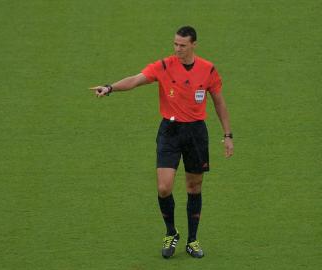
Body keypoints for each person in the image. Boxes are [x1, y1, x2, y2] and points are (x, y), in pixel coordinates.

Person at [90, 26, 233, 259]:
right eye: (175, 44)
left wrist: (227, 136)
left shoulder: (208, 70)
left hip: (196, 132)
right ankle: (171, 232)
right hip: (170, 131)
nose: (177, 49)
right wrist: (110, 87)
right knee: (164, 187)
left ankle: (192, 240)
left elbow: (219, 103)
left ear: (194, 45)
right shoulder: (164, 66)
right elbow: (136, 80)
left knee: (194, 187)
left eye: (182, 45)